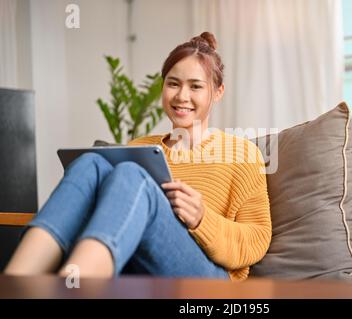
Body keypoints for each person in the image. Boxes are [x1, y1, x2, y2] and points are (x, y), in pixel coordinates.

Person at [4, 32, 272, 282]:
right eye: (173, 84)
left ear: (218, 92)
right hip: (136, 264)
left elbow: (257, 240)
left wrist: (202, 219)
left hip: (208, 277)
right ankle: (15, 284)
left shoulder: (242, 154)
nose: (182, 96)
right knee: (90, 163)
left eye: (196, 86)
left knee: (132, 174)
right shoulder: (140, 146)